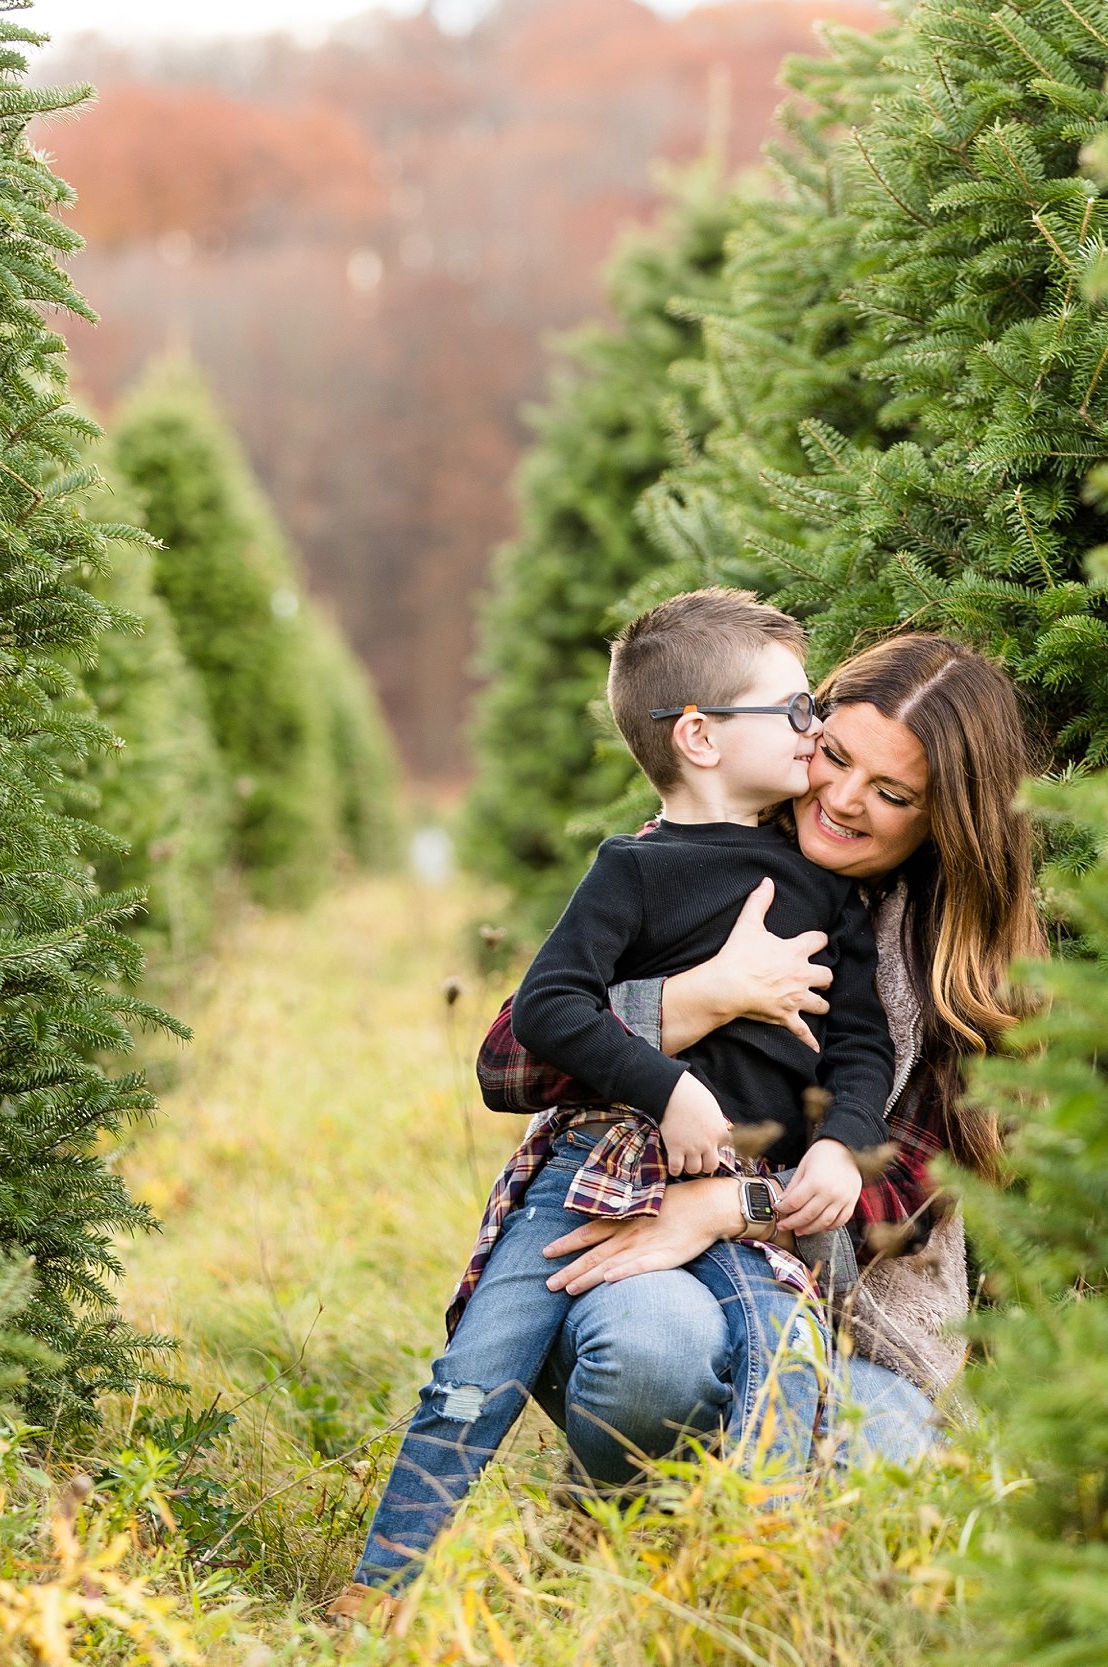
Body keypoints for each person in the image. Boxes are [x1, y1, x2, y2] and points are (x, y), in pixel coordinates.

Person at [338, 590, 896, 1611]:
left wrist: (839, 1149)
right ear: (701, 737)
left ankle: (747, 1584)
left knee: (789, 1360)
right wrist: (669, 1081)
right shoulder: (633, 869)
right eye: (796, 708)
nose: (814, 729)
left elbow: (861, 1046)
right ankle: (380, 1585)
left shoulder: (824, 891)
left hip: (752, 1187)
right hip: (595, 1168)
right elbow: (547, 1009)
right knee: (477, 1364)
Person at [481, 633, 1043, 1491]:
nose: (843, 798)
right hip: (651, 1246)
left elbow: (905, 1196)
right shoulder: (710, 850)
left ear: (946, 819)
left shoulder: (953, 966)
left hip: (859, 1317)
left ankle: (742, 1557)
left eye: (891, 793)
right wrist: (702, 997)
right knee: (653, 1358)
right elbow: (508, 1060)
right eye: (837, 754)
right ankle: (631, 1504)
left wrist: (732, 1205)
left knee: (883, 1472)